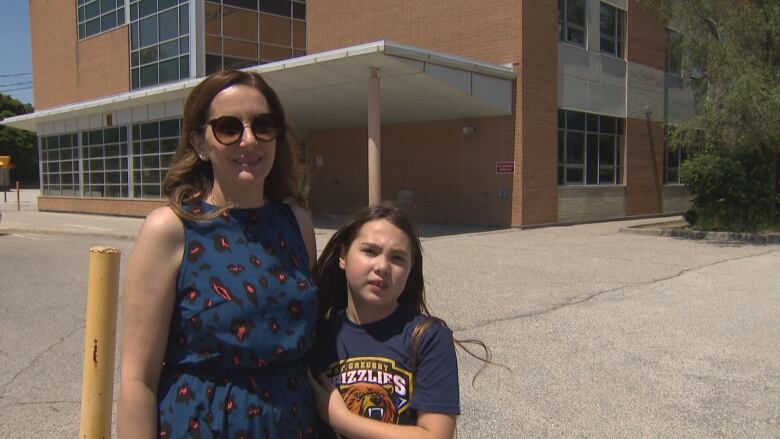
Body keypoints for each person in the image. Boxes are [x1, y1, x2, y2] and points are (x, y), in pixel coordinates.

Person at [117, 69, 318, 438]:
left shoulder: (298, 222)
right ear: (199, 143)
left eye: (263, 125)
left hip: (293, 422)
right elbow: (137, 379)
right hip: (205, 425)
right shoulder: (171, 229)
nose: (249, 140)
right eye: (228, 127)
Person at [307, 202, 463, 439]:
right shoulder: (316, 337)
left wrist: (341, 419)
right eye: (369, 251)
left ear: (410, 268)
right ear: (343, 255)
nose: (382, 266)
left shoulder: (427, 337)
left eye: (398, 258)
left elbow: (436, 436)